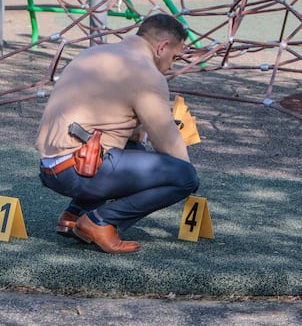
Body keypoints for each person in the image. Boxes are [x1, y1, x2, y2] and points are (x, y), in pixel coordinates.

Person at [35, 13, 200, 253]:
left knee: (134, 151)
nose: (172, 65)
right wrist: (188, 179)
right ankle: (101, 221)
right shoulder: (146, 73)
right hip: (79, 169)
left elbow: (125, 134)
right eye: (174, 56)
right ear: (162, 47)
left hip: (50, 167)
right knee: (184, 176)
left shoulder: (93, 53)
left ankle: (74, 214)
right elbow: (169, 146)